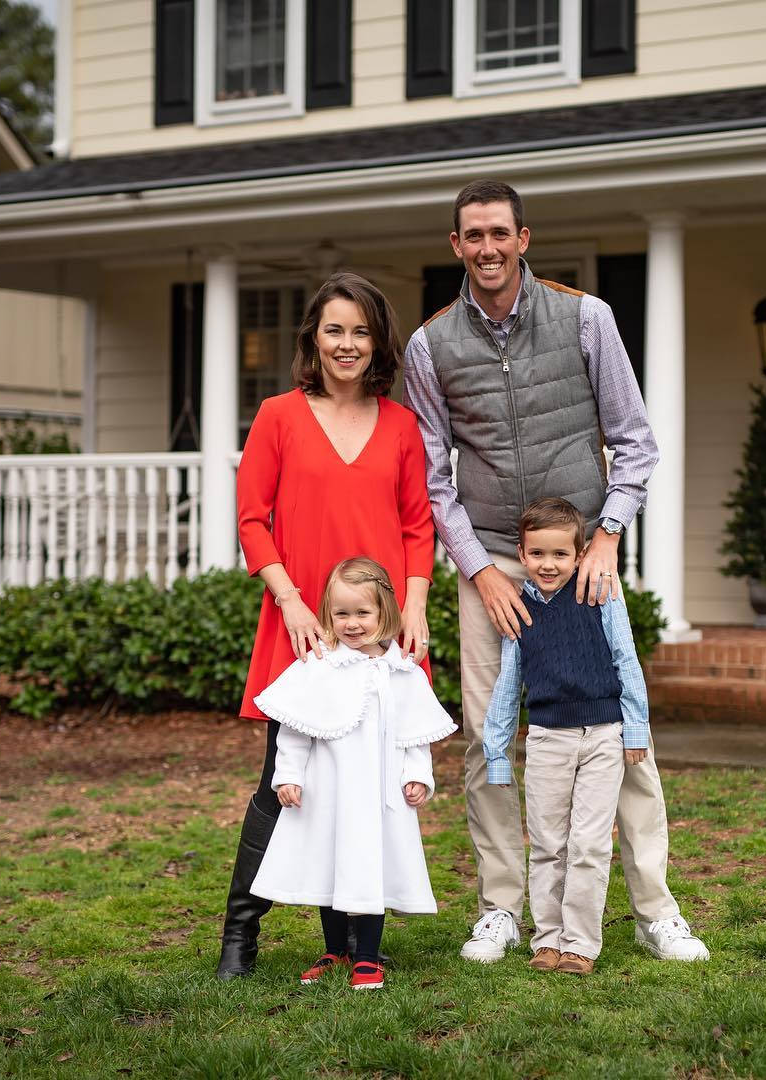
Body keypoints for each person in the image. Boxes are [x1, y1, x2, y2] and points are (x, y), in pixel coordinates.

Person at [403, 179, 709, 964]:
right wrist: (477, 569)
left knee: (623, 732)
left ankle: (655, 909)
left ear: (524, 238)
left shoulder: (586, 319)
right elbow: (434, 475)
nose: (488, 248)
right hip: (493, 565)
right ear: (456, 246)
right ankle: (502, 908)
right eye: (473, 235)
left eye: (500, 233)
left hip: (581, 554)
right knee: (488, 736)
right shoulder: (430, 345)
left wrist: (605, 536)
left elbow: (635, 442)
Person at [218, 272, 436, 980]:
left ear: (379, 343)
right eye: (334, 329)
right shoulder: (279, 415)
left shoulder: (402, 426)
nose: (347, 344)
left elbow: (416, 527)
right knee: (280, 780)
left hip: (379, 634)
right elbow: (252, 520)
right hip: (304, 629)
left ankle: (354, 934)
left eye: (361, 331)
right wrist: (289, 601)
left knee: (369, 780)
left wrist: (416, 613)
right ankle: (239, 938)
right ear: (314, 336)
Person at [250, 558, 457, 989]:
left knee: (370, 866)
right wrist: (288, 776)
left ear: (385, 612)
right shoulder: (319, 667)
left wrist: (417, 775)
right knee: (331, 864)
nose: (352, 623)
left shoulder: (401, 670)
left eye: (362, 613)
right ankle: (335, 950)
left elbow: (414, 734)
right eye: (341, 613)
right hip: (331, 792)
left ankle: (367, 956)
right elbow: (294, 731)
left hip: (379, 794)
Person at [483, 498, 650, 976]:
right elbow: (508, 683)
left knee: (590, 843)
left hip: (603, 735)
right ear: (521, 553)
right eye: (538, 554)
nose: (548, 564)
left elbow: (626, 659)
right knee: (549, 842)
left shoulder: (601, 594)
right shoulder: (518, 608)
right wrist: (497, 753)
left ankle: (580, 944)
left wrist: (635, 727)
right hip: (546, 740)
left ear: (579, 555)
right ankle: (548, 939)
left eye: (560, 554)